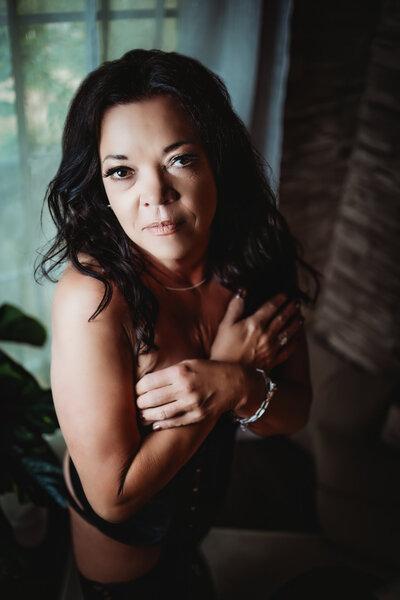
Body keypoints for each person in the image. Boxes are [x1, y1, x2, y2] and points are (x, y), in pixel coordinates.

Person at [37, 49, 316, 599]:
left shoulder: (256, 258)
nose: (155, 196)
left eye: (180, 160)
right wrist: (227, 372)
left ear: (217, 158)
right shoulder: (94, 297)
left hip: (203, 505)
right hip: (124, 547)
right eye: (121, 171)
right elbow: (114, 495)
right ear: (101, 187)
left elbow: (295, 412)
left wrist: (242, 386)